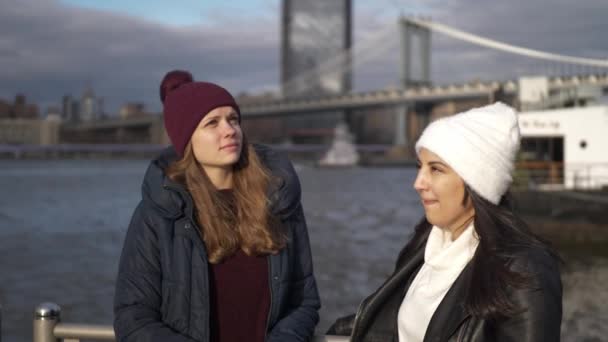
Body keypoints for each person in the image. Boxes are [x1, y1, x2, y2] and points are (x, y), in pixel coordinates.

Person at [114, 70, 320, 342]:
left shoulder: (279, 201)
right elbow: (133, 317)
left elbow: (304, 302)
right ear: (187, 141)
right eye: (212, 123)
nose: (229, 130)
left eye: (233, 119)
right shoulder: (159, 214)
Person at [327, 102, 562, 341]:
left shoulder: (524, 270)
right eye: (420, 168)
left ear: (477, 182)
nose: (418, 183)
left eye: (436, 170)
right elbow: (388, 322)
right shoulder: (425, 243)